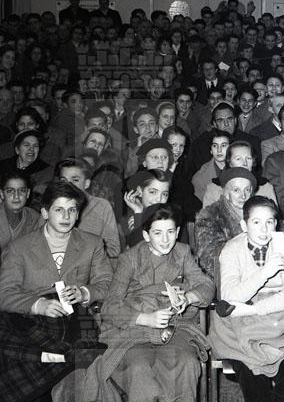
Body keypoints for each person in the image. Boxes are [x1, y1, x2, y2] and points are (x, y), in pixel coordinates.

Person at [86, 203, 214, 402]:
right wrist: (145, 318)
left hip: (174, 327)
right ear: (146, 235)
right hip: (134, 328)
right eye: (157, 233)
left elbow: (206, 285)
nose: (165, 240)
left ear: (177, 232)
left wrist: (188, 297)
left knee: (186, 362)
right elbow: (110, 306)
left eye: (170, 232)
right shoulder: (130, 259)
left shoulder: (182, 253)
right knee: (138, 367)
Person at [0, 181, 113, 402]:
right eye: (59, 209)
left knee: (79, 356)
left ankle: (60, 363)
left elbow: (108, 283)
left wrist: (85, 293)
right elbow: (4, 293)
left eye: (72, 210)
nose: (66, 216)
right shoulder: (19, 248)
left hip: (75, 318)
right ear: (44, 212)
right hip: (30, 320)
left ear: (78, 214)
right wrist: (37, 305)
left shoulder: (92, 243)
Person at [210, 196, 284, 402]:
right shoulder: (231, 249)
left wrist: (252, 309)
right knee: (252, 372)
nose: (264, 229)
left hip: (280, 321)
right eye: (256, 222)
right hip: (241, 328)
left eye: (269, 222)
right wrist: (265, 273)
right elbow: (230, 297)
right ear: (244, 225)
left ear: (276, 223)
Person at [195, 167, 258, 283]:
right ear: (225, 192)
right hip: (225, 280)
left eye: (247, 190)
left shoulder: (258, 212)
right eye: (236, 190)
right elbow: (210, 260)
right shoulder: (210, 215)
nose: (243, 196)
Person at [0, 170, 40, 253]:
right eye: (10, 191)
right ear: (2, 194)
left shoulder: (34, 218)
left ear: (28, 193)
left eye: (22, 190)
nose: (16, 196)